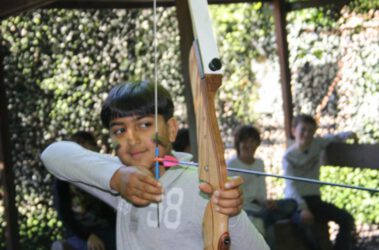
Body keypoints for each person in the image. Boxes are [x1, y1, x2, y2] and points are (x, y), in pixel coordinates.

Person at [42, 81, 269, 250]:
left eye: (144, 125)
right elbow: (52, 154)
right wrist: (117, 178)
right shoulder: (118, 178)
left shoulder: (200, 185)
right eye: (119, 130)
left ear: (171, 130)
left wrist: (232, 214)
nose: (131, 139)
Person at [283, 114, 356, 250]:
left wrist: (350, 134)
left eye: (311, 131)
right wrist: (303, 208)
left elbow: (335, 137)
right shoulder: (288, 157)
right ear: (294, 130)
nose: (307, 134)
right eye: (303, 130)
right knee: (306, 229)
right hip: (295, 202)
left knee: (347, 219)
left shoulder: (317, 144)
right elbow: (290, 186)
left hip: (315, 200)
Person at [227, 125, 297, 249]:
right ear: (238, 143)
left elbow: (261, 191)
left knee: (292, 204)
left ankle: (265, 216)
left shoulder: (259, 163)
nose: (249, 145)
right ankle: (264, 218)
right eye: (245, 141)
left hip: (261, 207)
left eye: (253, 141)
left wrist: (266, 202)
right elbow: (233, 197)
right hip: (244, 209)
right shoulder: (231, 164)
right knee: (265, 229)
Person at [52, 131, 116, 250]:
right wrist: (87, 236)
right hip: (79, 232)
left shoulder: (99, 175)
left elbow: (107, 209)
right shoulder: (63, 178)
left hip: (105, 229)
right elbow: (64, 214)